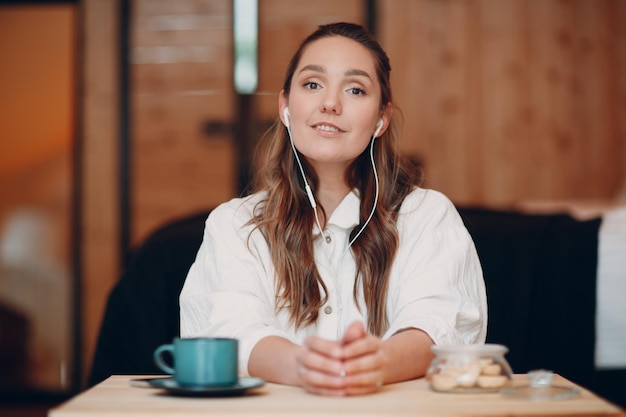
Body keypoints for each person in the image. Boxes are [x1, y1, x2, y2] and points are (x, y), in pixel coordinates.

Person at [180, 22, 487, 396]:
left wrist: (377, 362)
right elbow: (228, 328)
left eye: (355, 89)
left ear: (380, 119)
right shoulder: (235, 225)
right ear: (285, 106)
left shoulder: (426, 216)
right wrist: (301, 366)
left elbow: (439, 323)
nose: (330, 103)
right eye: (312, 84)